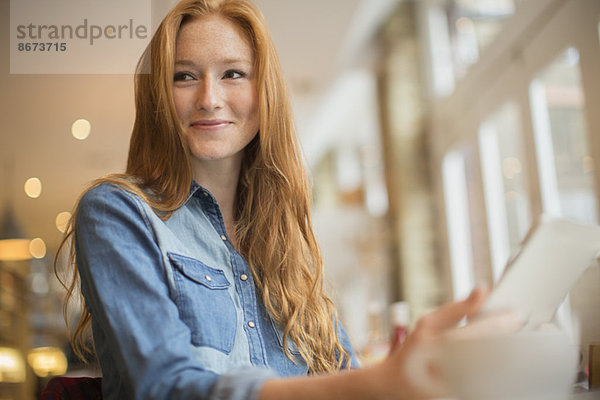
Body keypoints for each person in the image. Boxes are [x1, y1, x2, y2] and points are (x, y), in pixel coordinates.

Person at [56, 0, 521, 399]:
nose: (209, 97)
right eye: (184, 77)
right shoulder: (117, 211)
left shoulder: (285, 241)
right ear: (159, 94)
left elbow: (346, 376)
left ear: (265, 94)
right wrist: (379, 382)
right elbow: (165, 387)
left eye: (233, 73)